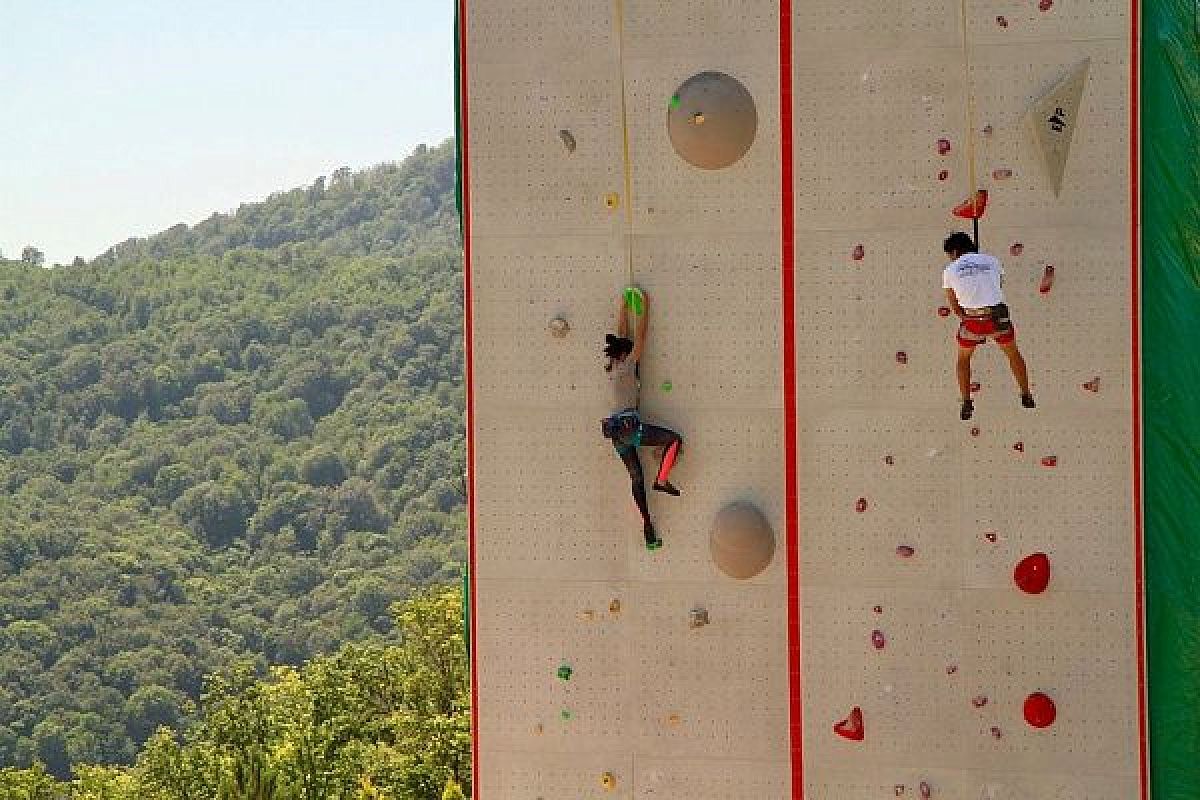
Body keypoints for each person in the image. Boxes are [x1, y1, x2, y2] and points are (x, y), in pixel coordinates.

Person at [600, 289, 682, 551]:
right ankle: (662, 479)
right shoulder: (627, 365)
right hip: (630, 428)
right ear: (627, 354)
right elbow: (641, 336)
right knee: (673, 440)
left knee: (636, 479)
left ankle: (648, 530)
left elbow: (622, 333)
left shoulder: (612, 365)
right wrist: (645, 307)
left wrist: (623, 305)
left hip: (615, 432)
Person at [941, 232, 1036, 420]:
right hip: (998, 318)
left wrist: (965, 317)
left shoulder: (950, 270)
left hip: (973, 322)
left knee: (963, 359)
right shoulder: (993, 261)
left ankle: (966, 401)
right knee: (1013, 354)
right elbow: (998, 286)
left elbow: (954, 305)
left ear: (954, 252)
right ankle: (1026, 394)